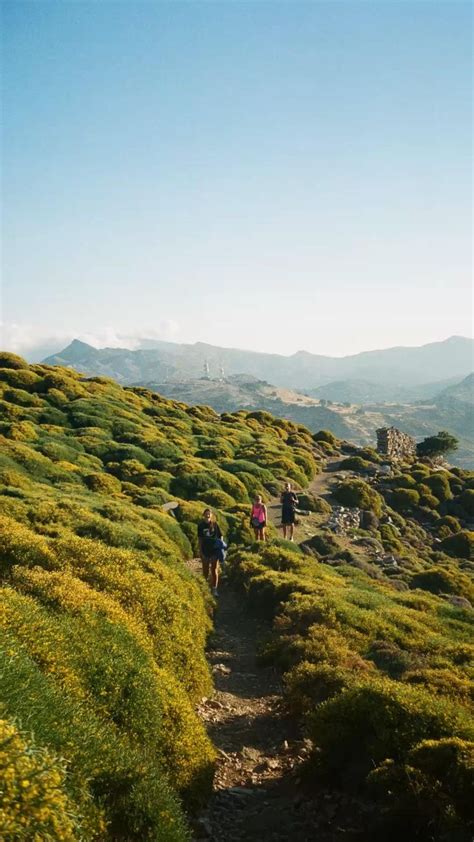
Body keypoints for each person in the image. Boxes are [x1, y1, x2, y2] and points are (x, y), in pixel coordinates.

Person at [197, 509, 223, 596]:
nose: (207, 515)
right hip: (205, 550)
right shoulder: (200, 526)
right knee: (205, 571)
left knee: (214, 570)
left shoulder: (215, 524)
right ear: (203, 515)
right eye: (206, 514)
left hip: (214, 550)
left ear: (211, 515)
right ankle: (205, 589)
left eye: (209, 514)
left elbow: (220, 536)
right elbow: (200, 539)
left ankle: (214, 589)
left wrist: (220, 546)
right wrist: (200, 551)